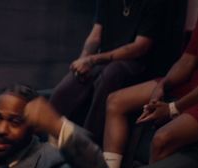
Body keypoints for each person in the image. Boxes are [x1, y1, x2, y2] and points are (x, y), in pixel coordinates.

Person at [102, 0, 198, 168]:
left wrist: (174, 108)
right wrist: (163, 85)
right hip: (194, 81)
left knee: (161, 139)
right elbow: (188, 59)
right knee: (115, 101)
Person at [50, 0, 165, 144]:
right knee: (66, 87)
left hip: (138, 64)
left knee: (111, 74)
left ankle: (87, 144)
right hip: (104, 60)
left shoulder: (155, 3)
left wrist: (93, 60)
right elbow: (96, 34)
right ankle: (48, 139)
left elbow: (140, 46)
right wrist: (82, 61)